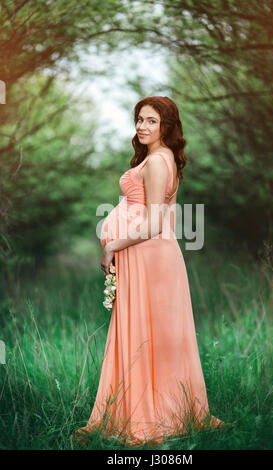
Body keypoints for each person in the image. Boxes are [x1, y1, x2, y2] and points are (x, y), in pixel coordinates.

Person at [71, 96, 227, 447]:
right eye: (140, 119)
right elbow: (167, 218)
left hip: (147, 255)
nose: (142, 126)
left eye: (152, 121)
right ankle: (161, 410)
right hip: (154, 257)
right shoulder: (163, 158)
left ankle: (148, 418)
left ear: (166, 126)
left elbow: (156, 221)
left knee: (145, 334)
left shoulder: (157, 162)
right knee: (157, 336)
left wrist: (114, 244)